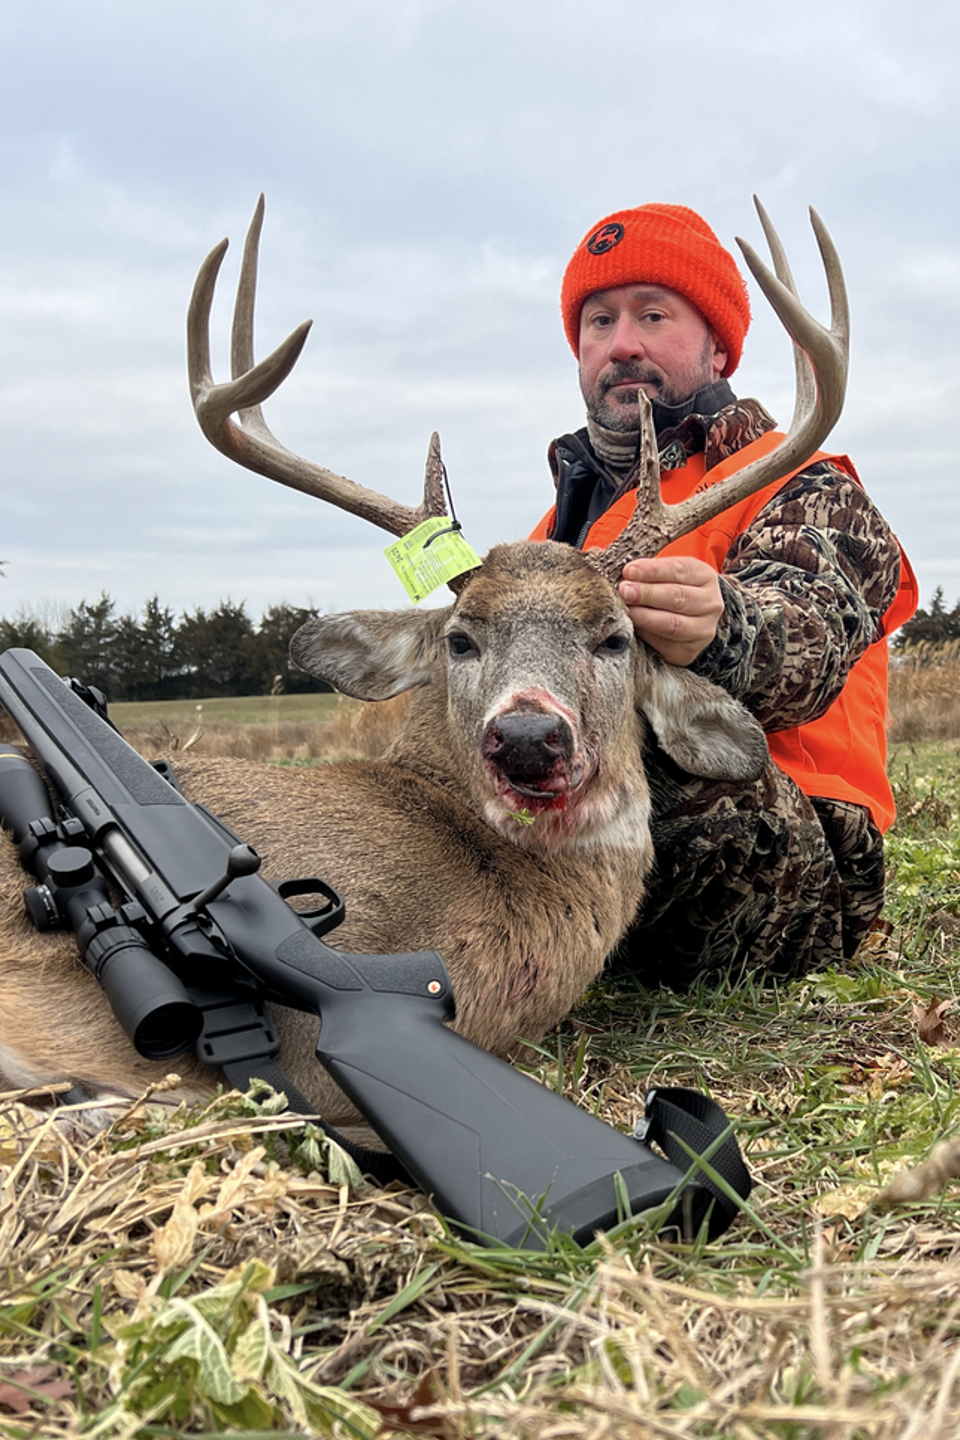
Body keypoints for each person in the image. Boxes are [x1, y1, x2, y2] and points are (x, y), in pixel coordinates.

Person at [531, 203, 918, 985]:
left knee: (643, 759)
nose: (622, 344)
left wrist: (727, 628)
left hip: (790, 855)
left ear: (717, 347)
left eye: (653, 315)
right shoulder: (556, 527)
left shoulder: (801, 481)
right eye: (598, 321)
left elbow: (814, 632)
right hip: (592, 835)